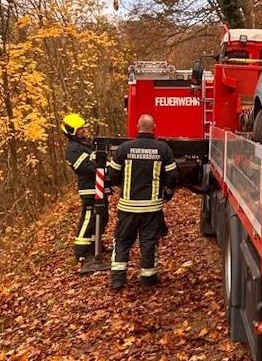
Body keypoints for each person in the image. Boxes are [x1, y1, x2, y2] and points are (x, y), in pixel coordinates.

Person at [106, 113, 178, 291]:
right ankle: (148, 279)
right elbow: (173, 175)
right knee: (148, 242)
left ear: (138, 127)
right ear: (154, 128)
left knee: (122, 241)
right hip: (151, 208)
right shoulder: (163, 149)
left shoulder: (124, 149)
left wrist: (121, 187)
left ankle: (117, 280)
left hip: (128, 207)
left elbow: (113, 174)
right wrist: (167, 193)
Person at [61, 113, 107, 261]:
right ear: (72, 131)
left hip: (98, 186)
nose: (83, 131)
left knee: (102, 217)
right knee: (89, 217)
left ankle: (95, 245)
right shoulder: (73, 149)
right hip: (89, 188)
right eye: (80, 129)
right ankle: (81, 251)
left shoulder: (85, 145)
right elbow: (85, 168)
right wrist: (103, 170)